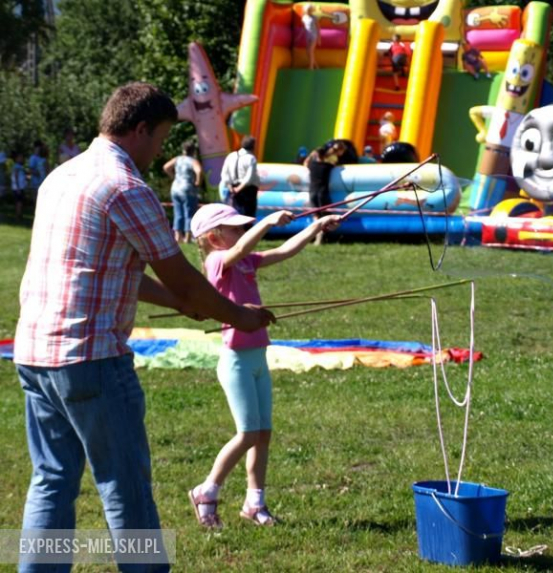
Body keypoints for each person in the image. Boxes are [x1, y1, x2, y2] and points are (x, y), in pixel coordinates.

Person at [14, 82, 275, 572]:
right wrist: (239, 315)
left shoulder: (61, 176)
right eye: (158, 140)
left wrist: (185, 306)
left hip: (34, 355)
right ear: (139, 130)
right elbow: (184, 279)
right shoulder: (126, 187)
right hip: (91, 359)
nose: (158, 154)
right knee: (124, 484)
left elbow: (117, 274)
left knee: (51, 479)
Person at [187, 203, 341, 529]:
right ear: (214, 238)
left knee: (263, 435)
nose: (242, 232)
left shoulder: (245, 261)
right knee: (247, 434)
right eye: (235, 228)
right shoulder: (218, 262)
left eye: (244, 226)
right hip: (236, 363)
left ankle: (254, 502)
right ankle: (206, 491)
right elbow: (243, 246)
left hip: (257, 357)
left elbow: (285, 251)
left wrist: (316, 227)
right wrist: (268, 221)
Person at [304, 140, 347, 244]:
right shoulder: (328, 166)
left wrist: (311, 155)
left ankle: (314, 236)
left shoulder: (312, 165)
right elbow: (336, 164)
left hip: (312, 193)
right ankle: (321, 236)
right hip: (323, 193)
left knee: (315, 216)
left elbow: (305, 163)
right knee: (325, 216)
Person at [163, 139, 203, 243]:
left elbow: (166, 167)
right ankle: (187, 238)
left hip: (175, 188)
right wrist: (198, 181)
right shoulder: (193, 161)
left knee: (178, 213)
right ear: (193, 151)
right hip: (187, 189)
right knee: (189, 212)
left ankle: (177, 237)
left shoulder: (178, 159)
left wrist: (173, 177)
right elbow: (198, 170)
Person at [220, 136, 260, 218]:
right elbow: (249, 178)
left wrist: (230, 186)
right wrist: (239, 188)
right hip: (248, 190)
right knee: (248, 215)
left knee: (236, 213)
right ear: (253, 146)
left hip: (233, 187)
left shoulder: (231, 156)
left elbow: (224, 174)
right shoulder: (251, 158)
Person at [302, 3, 320, 70]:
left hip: (313, 36)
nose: (308, 11)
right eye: (307, 10)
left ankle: (311, 67)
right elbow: (304, 27)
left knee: (310, 51)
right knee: (308, 52)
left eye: (310, 10)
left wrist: (319, 38)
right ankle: (316, 66)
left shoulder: (314, 18)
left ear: (312, 10)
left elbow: (318, 28)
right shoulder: (304, 17)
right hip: (307, 36)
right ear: (305, 10)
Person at [11, 151, 27, 221]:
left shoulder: (20, 166)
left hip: (20, 187)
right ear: (16, 159)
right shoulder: (17, 166)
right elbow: (16, 176)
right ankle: (18, 215)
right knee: (19, 202)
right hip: (18, 188)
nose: (22, 159)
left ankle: (19, 214)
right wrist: (17, 187)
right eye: (20, 157)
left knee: (20, 202)